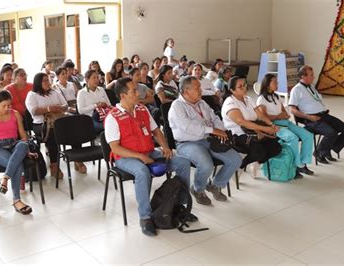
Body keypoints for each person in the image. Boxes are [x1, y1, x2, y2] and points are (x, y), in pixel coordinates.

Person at [104, 77, 192, 236]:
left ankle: (178, 205)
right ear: (123, 95)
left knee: (183, 163)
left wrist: (165, 147)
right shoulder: (113, 117)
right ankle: (145, 217)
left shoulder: (142, 109)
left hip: (149, 152)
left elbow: (156, 131)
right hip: (125, 158)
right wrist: (140, 157)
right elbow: (115, 147)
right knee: (142, 172)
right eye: (134, 91)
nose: (138, 93)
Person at [169, 76, 242, 205]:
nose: (201, 90)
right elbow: (188, 127)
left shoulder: (202, 103)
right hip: (187, 143)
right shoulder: (177, 106)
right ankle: (198, 189)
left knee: (235, 159)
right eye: (197, 88)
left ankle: (214, 184)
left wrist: (221, 131)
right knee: (206, 165)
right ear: (186, 91)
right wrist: (212, 130)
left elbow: (214, 118)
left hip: (208, 139)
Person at [0, 90, 35, 215]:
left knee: (23, 144)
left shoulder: (15, 114)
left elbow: (23, 136)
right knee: (18, 164)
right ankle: (17, 200)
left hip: (14, 144)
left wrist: (26, 151)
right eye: (4, 105)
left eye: (9, 105)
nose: (7, 108)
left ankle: (5, 178)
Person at [289, 65, 344, 164]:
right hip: (311, 119)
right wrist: (309, 117)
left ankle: (327, 148)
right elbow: (292, 110)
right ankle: (319, 153)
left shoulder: (311, 86)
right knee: (331, 133)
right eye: (311, 75)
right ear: (303, 76)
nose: (314, 77)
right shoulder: (297, 89)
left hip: (324, 115)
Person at [26, 73, 86, 176]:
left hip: (58, 120)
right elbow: (33, 111)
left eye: (47, 80)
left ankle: (77, 158)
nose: (47, 82)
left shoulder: (54, 92)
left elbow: (66, 105)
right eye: (44, 80)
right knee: (53, 133)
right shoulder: (32, 95)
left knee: (75, 128)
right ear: (38, 82)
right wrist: (49, 109)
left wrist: (60, 108)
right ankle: (54, 165)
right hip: (42, 124)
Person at [221, 76, 282, 177]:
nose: (244, 88)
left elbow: (260, 115)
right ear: (232, 90)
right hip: (237, 135)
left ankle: (256, 163)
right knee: (259, 151)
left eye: (245, 85)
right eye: (240, 87)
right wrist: (265, 129)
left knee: (276, 147)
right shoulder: (230, 103)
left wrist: (271, 124)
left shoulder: (248, 99)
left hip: (253, 131)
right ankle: (240, 166)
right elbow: (241, 122)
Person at [257, 74, 314, 177]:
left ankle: (303, 163)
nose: (277, 84)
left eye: (277, 81)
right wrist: (277, 117)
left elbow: (284, 111)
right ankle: (296, 165)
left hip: (285, 122)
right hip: (273, 126)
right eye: (274, 82)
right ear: (267, 84)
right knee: (293, 138)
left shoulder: (276, 96)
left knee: (308, 135)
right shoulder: (261, 99)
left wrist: (285, 115)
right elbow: (263, 117)